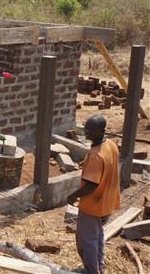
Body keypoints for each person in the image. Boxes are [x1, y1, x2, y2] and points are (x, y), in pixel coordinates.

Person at [67, 115, 120, 274]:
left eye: (90, 129)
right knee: (97, 236)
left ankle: (91, 270)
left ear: (102, 131)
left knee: (86, 240)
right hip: (107, 202)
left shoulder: (96, 155)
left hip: (93, 205)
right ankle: (99, 266)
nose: (86, 132)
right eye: (85, 128)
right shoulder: (111, 145)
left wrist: (73, 195)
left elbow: (91, 184)